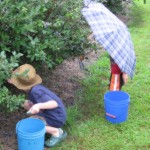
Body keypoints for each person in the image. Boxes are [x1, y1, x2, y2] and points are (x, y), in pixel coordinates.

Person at [8, 64, 67, 148]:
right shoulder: (34, 88)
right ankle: (45, 123)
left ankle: (56, 132)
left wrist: (38, 106)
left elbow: (54, 103)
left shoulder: (36, 92)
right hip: (53, 114)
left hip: (56, 118)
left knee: (33, 127)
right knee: (25, 103)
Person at [81, 0, 136, 91]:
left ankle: (114, 99)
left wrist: (125, 73)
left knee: (114, 86)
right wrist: (90, 37)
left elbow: (122, 58)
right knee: (115, 82)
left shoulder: (119, 44)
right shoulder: (111, 31)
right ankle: (116, 90)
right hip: (116, 67)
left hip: (117, 69)